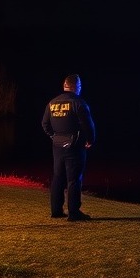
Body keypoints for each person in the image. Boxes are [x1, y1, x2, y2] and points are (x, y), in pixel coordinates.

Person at [41, 74, 96, 222]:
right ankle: (74, 212)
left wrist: (54, 136)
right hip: (75, 145)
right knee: (74, 179)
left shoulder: (52, 103)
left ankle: (56, 210)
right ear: (77, 87)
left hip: (57, 145)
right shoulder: (79, 103)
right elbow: (88, 125)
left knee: (58, 177)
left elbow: (45, 124)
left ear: (64, 85)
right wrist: (90, 140)